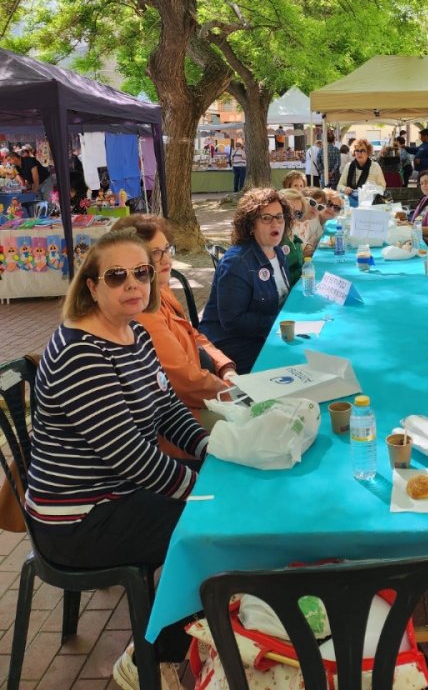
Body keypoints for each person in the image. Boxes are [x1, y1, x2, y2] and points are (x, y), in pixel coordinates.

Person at [24, 228, 209, 687]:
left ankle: (197, 637)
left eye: (141, 273)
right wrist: (204, 489)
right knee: (211, 529)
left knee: (223, 501)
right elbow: (130, 456)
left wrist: (210, 451)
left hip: (118, 493)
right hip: (78, 519)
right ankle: (153, 657)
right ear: (92, 287)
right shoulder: (79, 353)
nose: (133, 284)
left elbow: (168, 411)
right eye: (116, 276)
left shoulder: (135, 334)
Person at [113, 216, 237, 427]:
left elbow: (193, 334)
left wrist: (224, 366)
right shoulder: (141, 310)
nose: (166, 259)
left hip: (196, 399)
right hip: (177, 417)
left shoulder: (160, 290)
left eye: (167, 249)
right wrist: (231, 391)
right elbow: (183, 381)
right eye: (155, 253)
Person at [199, 188, 291, 373]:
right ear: (250, 225)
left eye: (279, 217)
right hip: (234, 348)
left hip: (264, 336)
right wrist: (279, 322)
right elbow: (233, 321)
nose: (275, 223)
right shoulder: (237, 262)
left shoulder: (278, 252)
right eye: (266, 218)